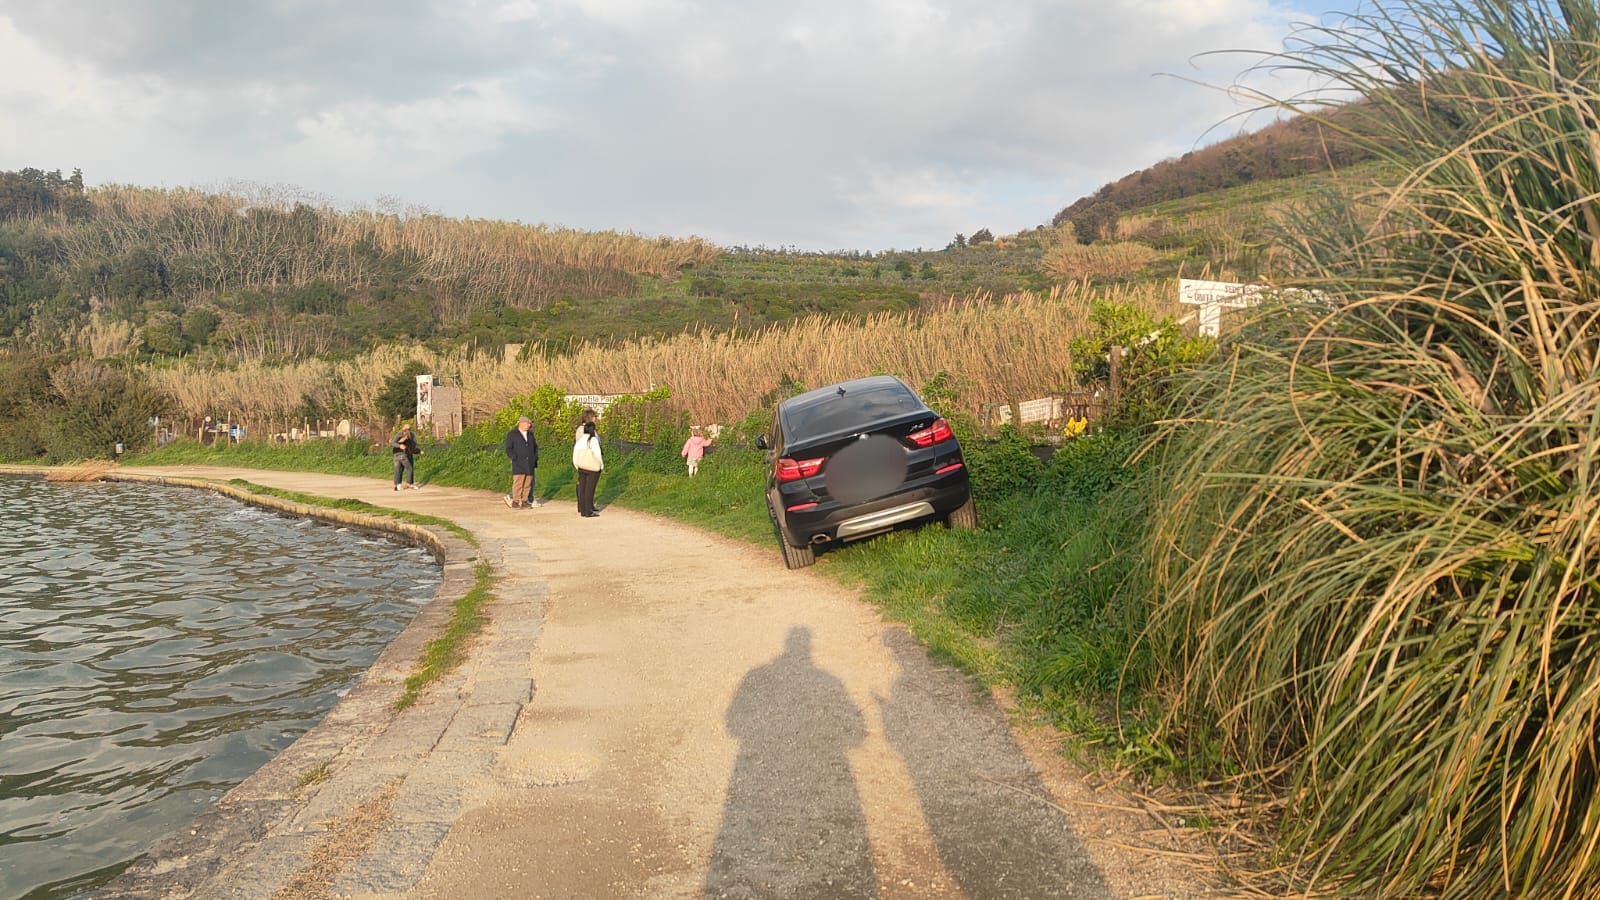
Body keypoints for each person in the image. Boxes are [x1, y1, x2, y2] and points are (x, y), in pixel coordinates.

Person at [503, 415, 540, 508]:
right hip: (518, 463)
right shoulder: (512, 434)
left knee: (527, 484)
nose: (529, 425)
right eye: (528, 423)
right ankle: (515, 501)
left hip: (530, 463)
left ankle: (524, 501)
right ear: (521, 423)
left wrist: (535, 458)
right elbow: (508, 448)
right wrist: (514, 457)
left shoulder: (530, 435)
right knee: (518, 483)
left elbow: (535, 447)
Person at [572, 408, 603, 517]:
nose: (595, 419)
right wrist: (601, 464)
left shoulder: (586, 433)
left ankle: (587, 506)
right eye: (594, 417)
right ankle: (585, 507)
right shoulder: (584, 431)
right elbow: (594, 451)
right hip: (588, 461)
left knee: (585, 486)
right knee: (586, 486)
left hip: (582, 462)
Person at [390, 422, 423, 490]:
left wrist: (398, 445)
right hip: (404, 454)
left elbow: (392, 442)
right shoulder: (408, 436)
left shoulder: (400, 434)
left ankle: (398, 485)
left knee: (398, 469)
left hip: (396, 454)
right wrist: (418, 451)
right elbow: (412, 447)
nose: (407, 430)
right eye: (407, 429)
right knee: (409, 468)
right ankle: (410, 484)